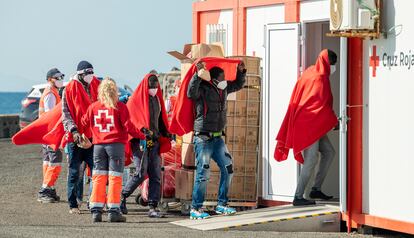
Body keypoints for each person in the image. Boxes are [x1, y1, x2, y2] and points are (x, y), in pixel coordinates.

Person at [274, 49, 339, 206]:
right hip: (308, 125)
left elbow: (317, 104)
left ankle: (316, 189)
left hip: (311, 123)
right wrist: (334, 120)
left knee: (329, 152)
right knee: (310, 160)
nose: (334, 68)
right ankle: (298, 196)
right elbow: (321, 105)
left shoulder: (310, 71)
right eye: (333, 64)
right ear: (327, 62)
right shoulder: (320, 78)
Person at [186, 61, 246, 219]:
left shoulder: (224, 88)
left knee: (228, 168)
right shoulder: (203, 89)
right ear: (214, 79)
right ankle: (195, 208)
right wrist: (197, 76)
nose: (225, 80)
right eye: (222, 78)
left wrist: (241, 71)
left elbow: (238, 85)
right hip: (203, 137)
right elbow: (190, 93)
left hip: (218, 138)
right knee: (203, 174)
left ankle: (221, 204)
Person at [81, 77, 144, 222]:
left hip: (98, 147)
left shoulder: (93, 107)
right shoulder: (120, 107)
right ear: (114, 91)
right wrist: (142, 135)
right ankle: (113, 211)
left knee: (98, 177)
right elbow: (129, 127)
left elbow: (84, 122)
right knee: (115, 178)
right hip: (115, 146)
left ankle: (96, 211)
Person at [120, 74, 171, 218]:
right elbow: (131, 121)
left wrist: (165, 132)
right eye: (152, 86)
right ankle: (122, 197)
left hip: (153, 141)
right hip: (140, 142)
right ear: (145, 85)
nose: (154, 89)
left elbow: (159, 119)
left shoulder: (157, 99)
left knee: (155, 175)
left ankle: (152, 206)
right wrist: (143, 131)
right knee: (141, 173)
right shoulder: (135, 100)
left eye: (156, 86)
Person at [62, 60, 100, 214]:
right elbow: (65, 114)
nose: (91, 75)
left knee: (97, 171)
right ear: (80, 74)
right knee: (75, 173)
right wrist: (74, 131)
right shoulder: (69, 89)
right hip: (75, 138)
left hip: (93, 137)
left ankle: (94, 202)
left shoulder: (97, 84)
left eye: (92, 72)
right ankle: (73, 204)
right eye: (88, 73)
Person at [37, 68, 65, 203]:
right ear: (50, 79)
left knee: (48, 161)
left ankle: (50, 188)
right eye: (57, 77)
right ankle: (45, 189)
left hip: (46, 134)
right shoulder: (50, 94)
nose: (60, 79)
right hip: (51, 134)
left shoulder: (53, 92)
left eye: (61, 77)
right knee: (55, 161)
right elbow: (51, 116)